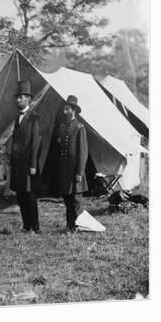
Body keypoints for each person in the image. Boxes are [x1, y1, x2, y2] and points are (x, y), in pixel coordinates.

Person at [9, 80, 41, 234]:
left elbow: (35, 142)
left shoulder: (34, 117)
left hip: (29, 165)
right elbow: (15, 142)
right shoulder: (17, 118)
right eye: (17, 97)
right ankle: (26, 225)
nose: (18, 100)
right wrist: (11, 163)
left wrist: (33, 165)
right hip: (18, 165)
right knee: (20, 195)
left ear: (28, 98)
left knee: (30, 196)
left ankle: (35, 226)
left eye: (20, 97)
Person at [54, 95, 88, 233]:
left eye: (67, 109)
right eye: (64, 109)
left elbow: (83, 152)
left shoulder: (80, 128)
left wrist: (80, 172)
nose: (64, 112)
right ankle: (69, 226)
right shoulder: (62, 127)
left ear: (74, 110)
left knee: (76, 201)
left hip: (75, 171)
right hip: (65, 170)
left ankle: (77, 226)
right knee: (67, 200)